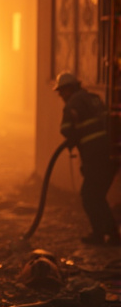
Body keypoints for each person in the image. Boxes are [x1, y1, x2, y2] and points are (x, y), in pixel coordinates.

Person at [54, 71, 120, 246]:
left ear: (69, 89)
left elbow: (66, 129)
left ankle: (107, 235)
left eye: (62, 91)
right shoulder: (94, 98)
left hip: (96, 157)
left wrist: (73, 138)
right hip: (112, 156)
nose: (60, 95)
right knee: (96, 195)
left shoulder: (72, 104)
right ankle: (105, 234)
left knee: (90, 195)